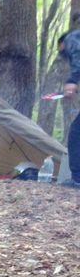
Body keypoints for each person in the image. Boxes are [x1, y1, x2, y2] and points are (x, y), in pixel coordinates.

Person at [59, 29, 80, 187]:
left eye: (62, 50)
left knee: (76, 133)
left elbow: (78, 55)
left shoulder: (72, 38)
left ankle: (78, 179)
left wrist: (72, 80)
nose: (62, 53)